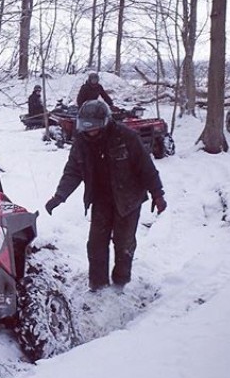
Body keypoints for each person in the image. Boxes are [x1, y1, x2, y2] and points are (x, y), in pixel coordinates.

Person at [44, 99, 167, 292]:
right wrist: (59, 196)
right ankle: (98, 284)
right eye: (87, 128)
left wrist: (157, 194)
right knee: (95, 244)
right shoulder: (82, 141)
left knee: (123, 242)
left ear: (106, 122)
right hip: (101, 198)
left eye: (94, 128)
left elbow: (146, 168)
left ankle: (120, 282)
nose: (90, 132)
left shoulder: (127, 137)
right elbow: (73, 171)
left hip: (128, 198)